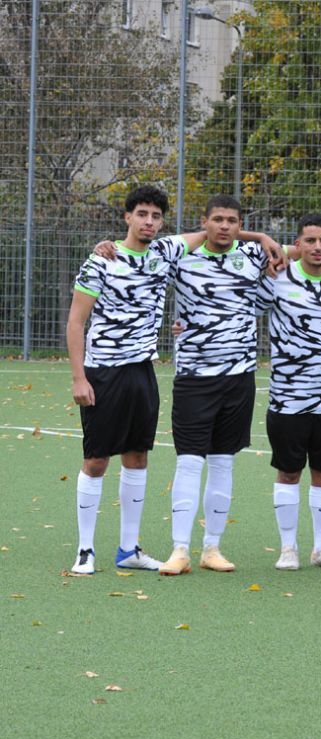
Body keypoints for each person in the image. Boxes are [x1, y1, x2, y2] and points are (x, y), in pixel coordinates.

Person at [66, 186, 204, 574]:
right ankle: (85, 550)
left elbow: (212, 231)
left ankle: (129, 549)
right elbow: (76, 321)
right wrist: (79, 378)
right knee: (96, 460)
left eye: (156, 216)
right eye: (142, 214)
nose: (149, 221)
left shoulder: (164, 253)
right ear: (128, 217)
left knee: (138, 457)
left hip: (143, 371)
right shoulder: (102, 260)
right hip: (103, 372)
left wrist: (261, 238)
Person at [158, 195, 281, 575]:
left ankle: (212, 548)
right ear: (204, 221)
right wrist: (105, 246)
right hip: (194, 377)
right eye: (218, 219)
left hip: (239, 377)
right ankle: (180, 549)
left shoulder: (254, 254)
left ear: (240, 225)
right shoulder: (182, 256)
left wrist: (262, 238)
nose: (225, 226)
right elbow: (141, 254)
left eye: (232, 220)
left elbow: (304, 251)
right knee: (189, 461)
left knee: (223, 462)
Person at [258, 214, 321, 571]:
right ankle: (288, 548)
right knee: (288, 472)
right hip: (288, 397)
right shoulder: (277, 278)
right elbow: (238, 308)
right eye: (310, 241)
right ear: (297, 244)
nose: (317, 247)